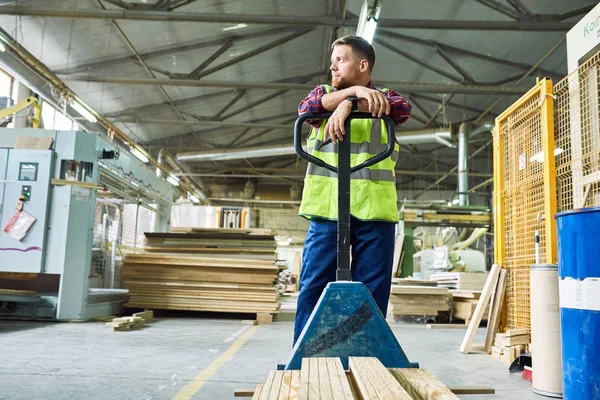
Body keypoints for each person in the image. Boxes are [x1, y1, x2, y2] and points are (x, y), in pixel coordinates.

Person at [294, 35, 411, 345]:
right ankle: (305, 354)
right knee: (314, 286)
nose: (333, 65)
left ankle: (363, 358)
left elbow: (401, 108)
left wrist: (348, 103)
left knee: (371, 291)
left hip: (375, 210)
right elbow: (306, 107)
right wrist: (352, 93)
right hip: (327, 209)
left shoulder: (386, 98)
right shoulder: (320, 97)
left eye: (340, 59)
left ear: (363, 65)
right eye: (333, 60)